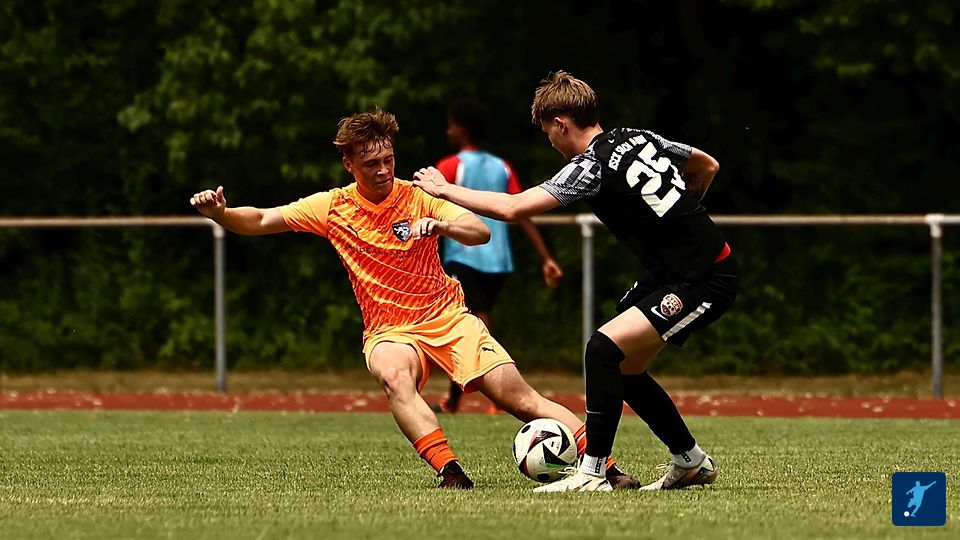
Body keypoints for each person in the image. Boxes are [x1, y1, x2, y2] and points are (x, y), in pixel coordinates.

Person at [189, 107, 638, 490]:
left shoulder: (419, 196)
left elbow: (480, 231)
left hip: (449, 317)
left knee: (520, 400)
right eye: (371, 164)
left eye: (388, 159)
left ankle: (609, 470)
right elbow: (262, 219)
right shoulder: (332, 207)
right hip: (390, 330)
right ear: (348, 163)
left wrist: (441, 225)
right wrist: (222, 214)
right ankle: (451, 473)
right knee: (393, 374)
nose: (383, 170)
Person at [413, 71, 739, 492]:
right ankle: (690, 462)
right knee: (625, 368)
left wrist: (444, 190)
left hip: (706, 277)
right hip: (675, 272)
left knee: (602, 349)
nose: (550, 141)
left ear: (561, 124)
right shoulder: (636, 137)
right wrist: (680, 218)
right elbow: (707, 165)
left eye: (548, 131)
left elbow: (513, 208)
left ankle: (592, 473)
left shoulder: (589, 166)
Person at [431, 98, 564, 415]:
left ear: (461, 129)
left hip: (464, 255)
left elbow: (424, 204)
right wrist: (545, 256)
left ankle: (499, 394)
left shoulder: (449, 167)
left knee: (475, 324)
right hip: (499, 261)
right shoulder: (502, 166)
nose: (447, 131)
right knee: (472, 323)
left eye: (450, 125)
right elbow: (521, 213)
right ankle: (455, 400)